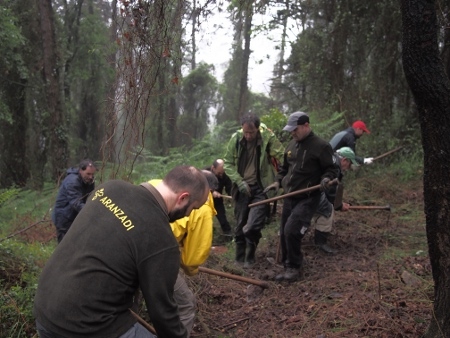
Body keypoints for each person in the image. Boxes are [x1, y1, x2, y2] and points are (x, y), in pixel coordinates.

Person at [34, 165, 210, 338]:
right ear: (183, 198)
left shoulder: (109, 188)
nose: (188, 216)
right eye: (192, 208)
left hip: (44, 312)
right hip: (86, 327)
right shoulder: (162, 240)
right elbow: (163, 314)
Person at [264, 111, 338, 282]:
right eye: (290, 130)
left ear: (306, 126)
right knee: (283, 232)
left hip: (307, 196)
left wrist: (326, 179)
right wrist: (277, 182)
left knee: (292, 230)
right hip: (290, 195)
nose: (292, 133)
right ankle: (286, 264)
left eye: (295, 129)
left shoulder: (321, 146)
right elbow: (284, 169)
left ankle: (294, 267)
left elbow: (331, 169)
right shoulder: (291, 146)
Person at [148, 170, 218, 337]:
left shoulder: (157, 183)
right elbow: (193, 258)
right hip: (156, 254)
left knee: (129, 303)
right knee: (186, 305)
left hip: (132, 248)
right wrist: (190, 269)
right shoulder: (203, 208)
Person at [223, 113, 284, 268]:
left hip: (261, 188)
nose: (248, 136)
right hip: (242, 187)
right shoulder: (236, 139)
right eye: (246, 133)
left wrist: (279, 180)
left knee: (252, 225)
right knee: (240, 224)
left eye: (252, 132)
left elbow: (283, 156)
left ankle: (250, 258)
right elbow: (227, 164)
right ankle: (239, 258)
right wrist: (239, 181)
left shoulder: (267, 138)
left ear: (258, 129)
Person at [311, 147, 359, 254]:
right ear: (344, 160)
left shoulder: (330, 157)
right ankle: (321, 243)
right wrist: (339, 205)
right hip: (312, 192)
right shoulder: (335, 167)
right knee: (327, 210)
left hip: (304, 186)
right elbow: (330, 193)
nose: (348, 168)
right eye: (349, 164)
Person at [51, 159, 96, 243]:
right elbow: (76, 202)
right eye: (88, 174)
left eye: (92, 174)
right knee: (64, 246)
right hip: (64, 218)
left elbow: (90, 197)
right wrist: (91, 212)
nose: (90, 177)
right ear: (80, 171)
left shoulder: (89, 181)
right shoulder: (72, 181)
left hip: (75, 217)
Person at [204, 159, 233, 236]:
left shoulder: (224, 174)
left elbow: (229, 186)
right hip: (204, 202)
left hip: (217, 201)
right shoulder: (204, 173)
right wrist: (212, 192)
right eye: (219, 173)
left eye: (222, 173)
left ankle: (228, 234)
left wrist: (233, 195)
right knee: (205, 220)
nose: (221, 175)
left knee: (222, 218)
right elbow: (199, 187)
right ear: (213, 168)